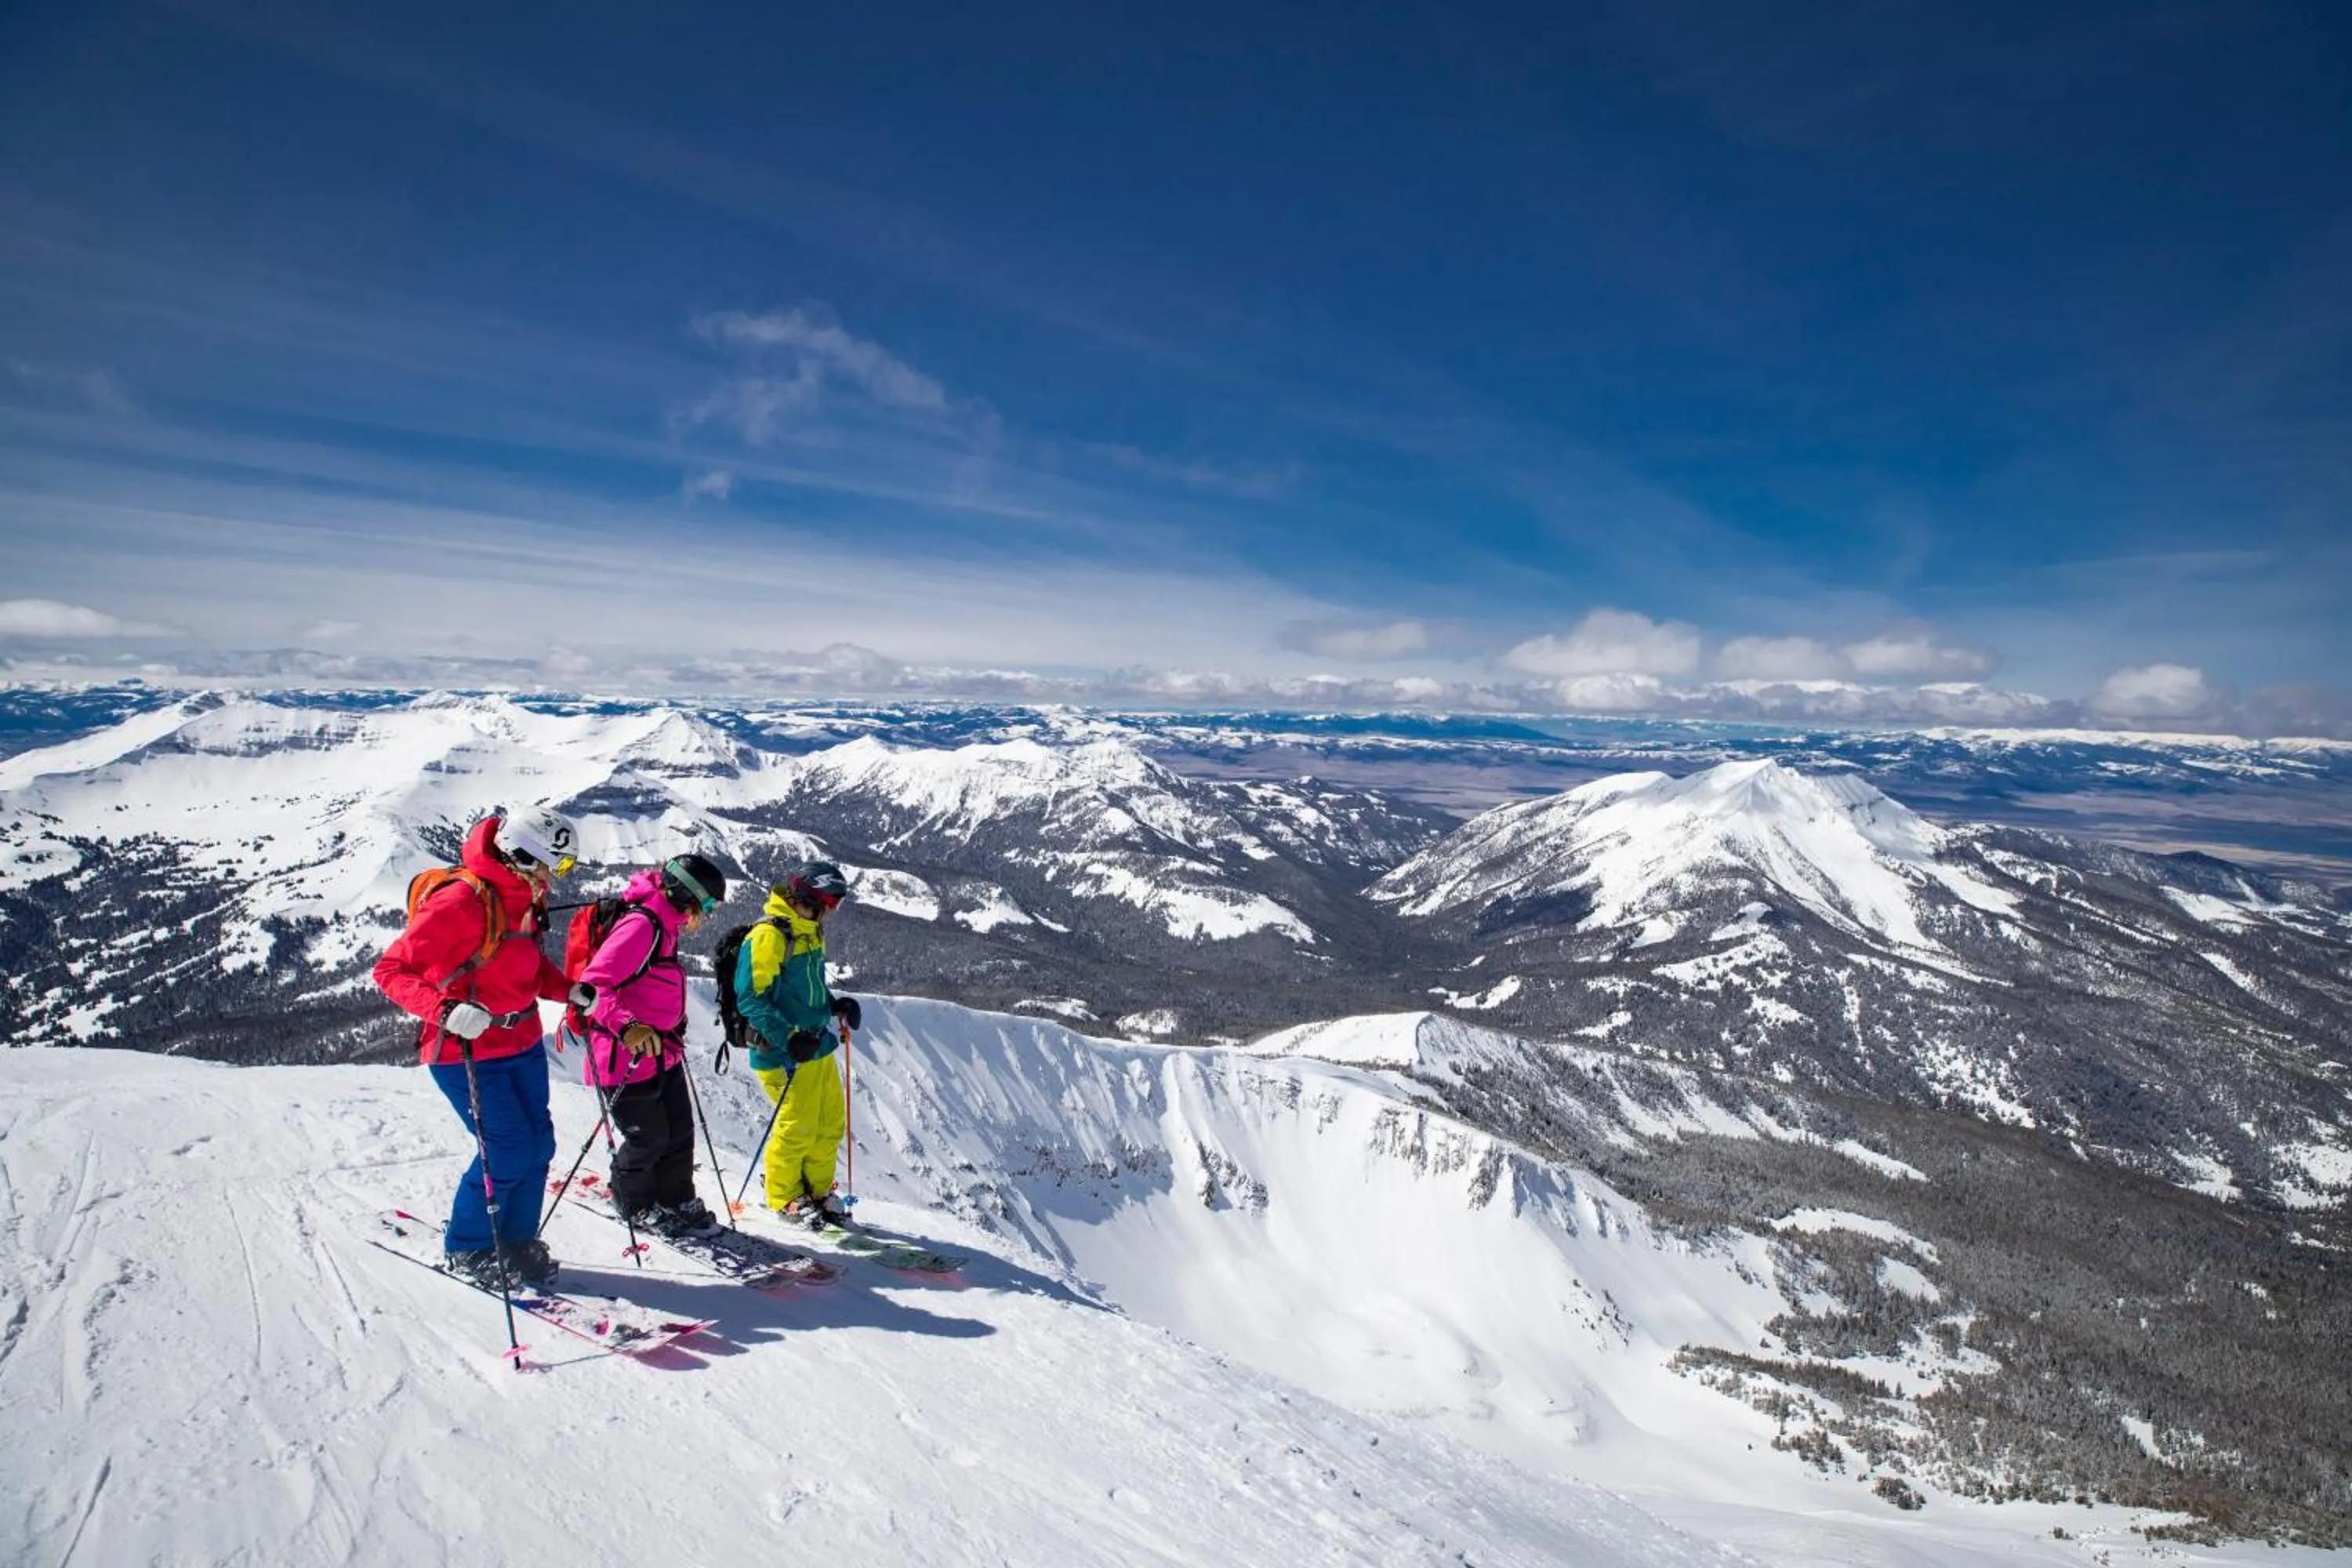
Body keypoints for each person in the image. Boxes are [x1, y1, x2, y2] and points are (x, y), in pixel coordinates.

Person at [373, 808, 580, 1289]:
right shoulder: (462, 902)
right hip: (463, 1051)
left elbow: (526, 967)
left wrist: (567, 990)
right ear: (523, 858)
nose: (557, 877)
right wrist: (445, 1012)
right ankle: (468, 1247)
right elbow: (391, 971)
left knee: (539, 1145)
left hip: (521, 1041)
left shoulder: (525, 898)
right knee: (506, 1149)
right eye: (557, 865)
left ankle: (516, 1240)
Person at [576, 853, 727, 1238]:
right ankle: (634, 1203)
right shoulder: (642, 926)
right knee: (648, 1137)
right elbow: (591, 987)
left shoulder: (667, 923)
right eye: (706, 905)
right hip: (623, 1057)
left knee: (679, 1131)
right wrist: (628, 1028)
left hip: (662, 1051)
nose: (707, 914)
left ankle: (675, 1197)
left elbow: (651, 983)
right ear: (685, 896)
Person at [733, 861, 862, 1226]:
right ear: (815, 898)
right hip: (782, 1052)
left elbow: (806, 989)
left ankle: (818, 1190)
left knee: (829, 1122)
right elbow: (751, 998)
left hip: (817, 1046)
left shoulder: (809, 931)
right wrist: (788, 1038)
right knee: (798, 1124)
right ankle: (784, 1194)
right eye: (832, 903)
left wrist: (834, 1004)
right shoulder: (770, 936)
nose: (834, 911)